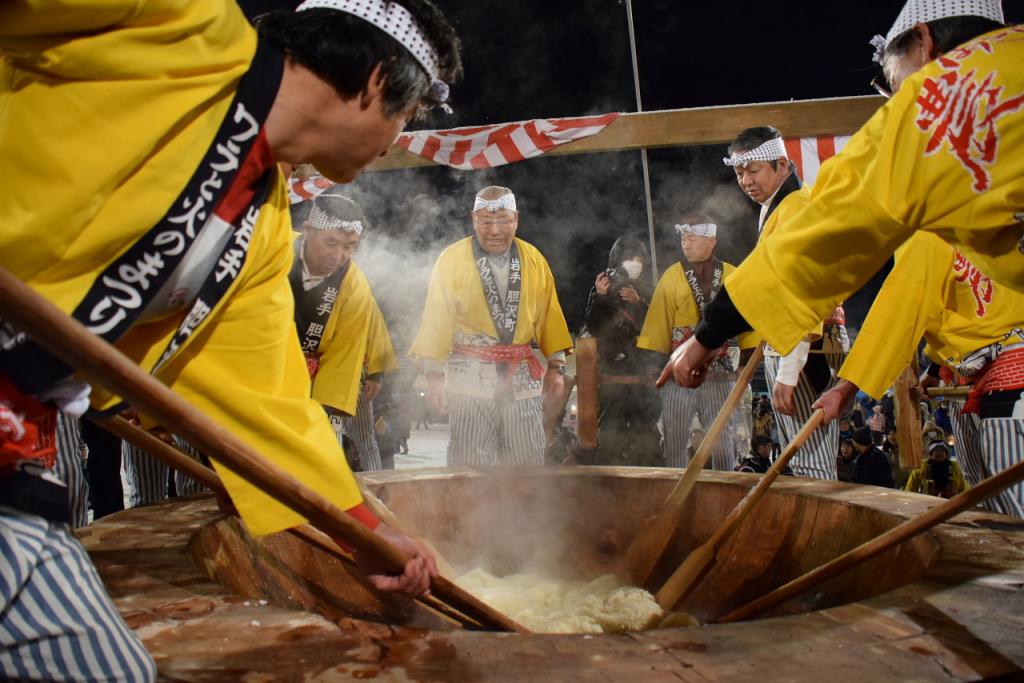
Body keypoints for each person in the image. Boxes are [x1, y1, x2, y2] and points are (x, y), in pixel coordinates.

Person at [0, 1, 462, 678]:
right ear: (376, 77)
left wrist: (362, 528)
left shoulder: (264, 226)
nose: (395, 140)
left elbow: (265, 403)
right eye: (404, 114)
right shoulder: (179, 24)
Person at [662, 2, 1020, 387]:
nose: (896, 97)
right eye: (739, 173)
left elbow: (814, 250)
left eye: (893, 83)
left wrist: (708, 336)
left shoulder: (936, 101)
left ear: (924, 43)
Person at [818, 232, 1024, 516]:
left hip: (1010, 378)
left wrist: (846, 388)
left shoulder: (927, 234)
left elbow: (898, 317)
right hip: (996, 366)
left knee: (1012, 509)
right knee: (993, 495)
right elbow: (978, 311)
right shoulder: (984, 218)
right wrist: (937, 369)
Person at [411, 186, 572, 466]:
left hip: (521, 374)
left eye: (503, 221)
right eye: (486, 221)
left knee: (526, 460)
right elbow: (436, 319)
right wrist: (434, 377)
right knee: (471, 462)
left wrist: (556, 368)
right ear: (474, 219)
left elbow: (550, 313)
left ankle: (523, 509)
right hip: (469, 373)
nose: (495, 230)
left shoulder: (533, 258)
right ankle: (469, 510)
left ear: (516, 220)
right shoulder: (452, 258)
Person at [724, 126, 848, 480]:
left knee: (811, 458)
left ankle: (820, 536)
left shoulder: (796, 206)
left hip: (808, 347)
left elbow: (802, 291)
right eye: (738, 173)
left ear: (781, 164)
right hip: (793, 343)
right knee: (806, 457)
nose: (746, 180)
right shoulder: (777, 206)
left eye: (753, 170)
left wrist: (789, 371)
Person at [637, 216, 758, 470]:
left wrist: (744, 364)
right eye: (683, 239)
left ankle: (723, 492)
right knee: (675, 438)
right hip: (679, 374)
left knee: (723, 441)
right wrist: (653, 363)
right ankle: (674, 490)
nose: (686, 244)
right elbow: (658, 322)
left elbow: (748, 320)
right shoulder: (672, 275)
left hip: (721, 374)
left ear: (712, 241)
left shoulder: (732, 274)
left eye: (692, 239)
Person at [581, 235, 661, 466]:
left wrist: (639, 304)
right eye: (629, 258)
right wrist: (601, 297)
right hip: (610, 370)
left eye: (639, 259)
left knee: (645, 429)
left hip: (643, 369)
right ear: (618, 260)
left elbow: (657, 327)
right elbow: (593, 326)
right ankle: (607, 483)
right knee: (610, 428)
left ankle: (650, 480)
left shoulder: (648, 289)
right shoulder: (603, 285)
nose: (635, 263)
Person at [344, 301, 400, 471]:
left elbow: (378, 337)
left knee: (369, 441)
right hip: (337, 376)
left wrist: (375, 375)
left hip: (360, 379)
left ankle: (377, 485)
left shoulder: (359, 291)